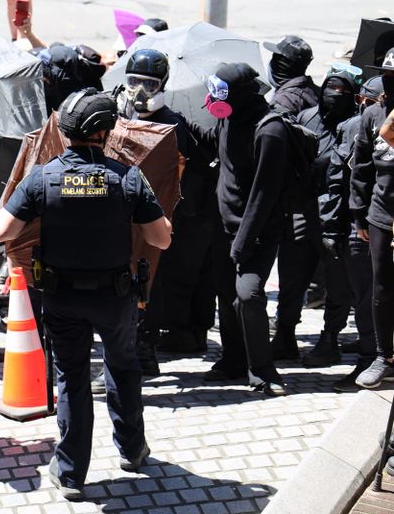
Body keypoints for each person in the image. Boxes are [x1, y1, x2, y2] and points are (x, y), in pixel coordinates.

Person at [0, 88, 171, 500]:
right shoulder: (127, 177)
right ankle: (132, 451)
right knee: (123, 368)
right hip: (115, 296)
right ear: (105, 131)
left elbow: (2, 231)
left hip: (62, 297)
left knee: (71, 377)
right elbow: (160, 240)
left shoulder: (43, 176)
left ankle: (71, 473)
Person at [182, 63, 289, 396]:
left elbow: (264, 194)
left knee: (249, 296)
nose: (213, 100)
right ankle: (233, 361)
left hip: (256, 233)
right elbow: (214, 142)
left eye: (220, 94)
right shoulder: (229, 119)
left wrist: (243, 242)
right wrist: (173, 119)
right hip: (224, 228)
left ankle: (263, 369)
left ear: (241, 94)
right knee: (226, 297)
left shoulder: (270, 131)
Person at [116, 49, 219, 361]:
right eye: (133, 81)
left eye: (148, 84)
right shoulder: (123, 119)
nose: (138, 91)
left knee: (153, 282)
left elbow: (177, 175)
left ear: (161, 85)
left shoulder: (171, 125)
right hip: (128, 216)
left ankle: (145, 348)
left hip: (160, 216)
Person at [277, 64, 359, 364]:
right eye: (329, 89)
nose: (333, 96)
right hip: (303, 208)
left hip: (338, 215)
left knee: (338, 282)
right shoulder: (307, 118)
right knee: (292, 275)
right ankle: (284, 334)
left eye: (341, 91)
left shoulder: (355, 125)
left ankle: (330, 339)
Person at [319, 75, 381, 390]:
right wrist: (332, 226)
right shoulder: (352, 128)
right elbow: (337, 183)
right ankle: (370, 358)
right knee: (366, 298)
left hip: (377, 225)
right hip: (360, 228)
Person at [352, 47, 394, 388]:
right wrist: (359, 217)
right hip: (382, 213)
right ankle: (384, 355)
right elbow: (362, 169)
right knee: (381, 287)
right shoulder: (372, 115)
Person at [265, 35, 317, 116]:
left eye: (275, 58)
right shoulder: (315, 90)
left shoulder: (283, 101)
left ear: (281, 65)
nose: (271, 62)